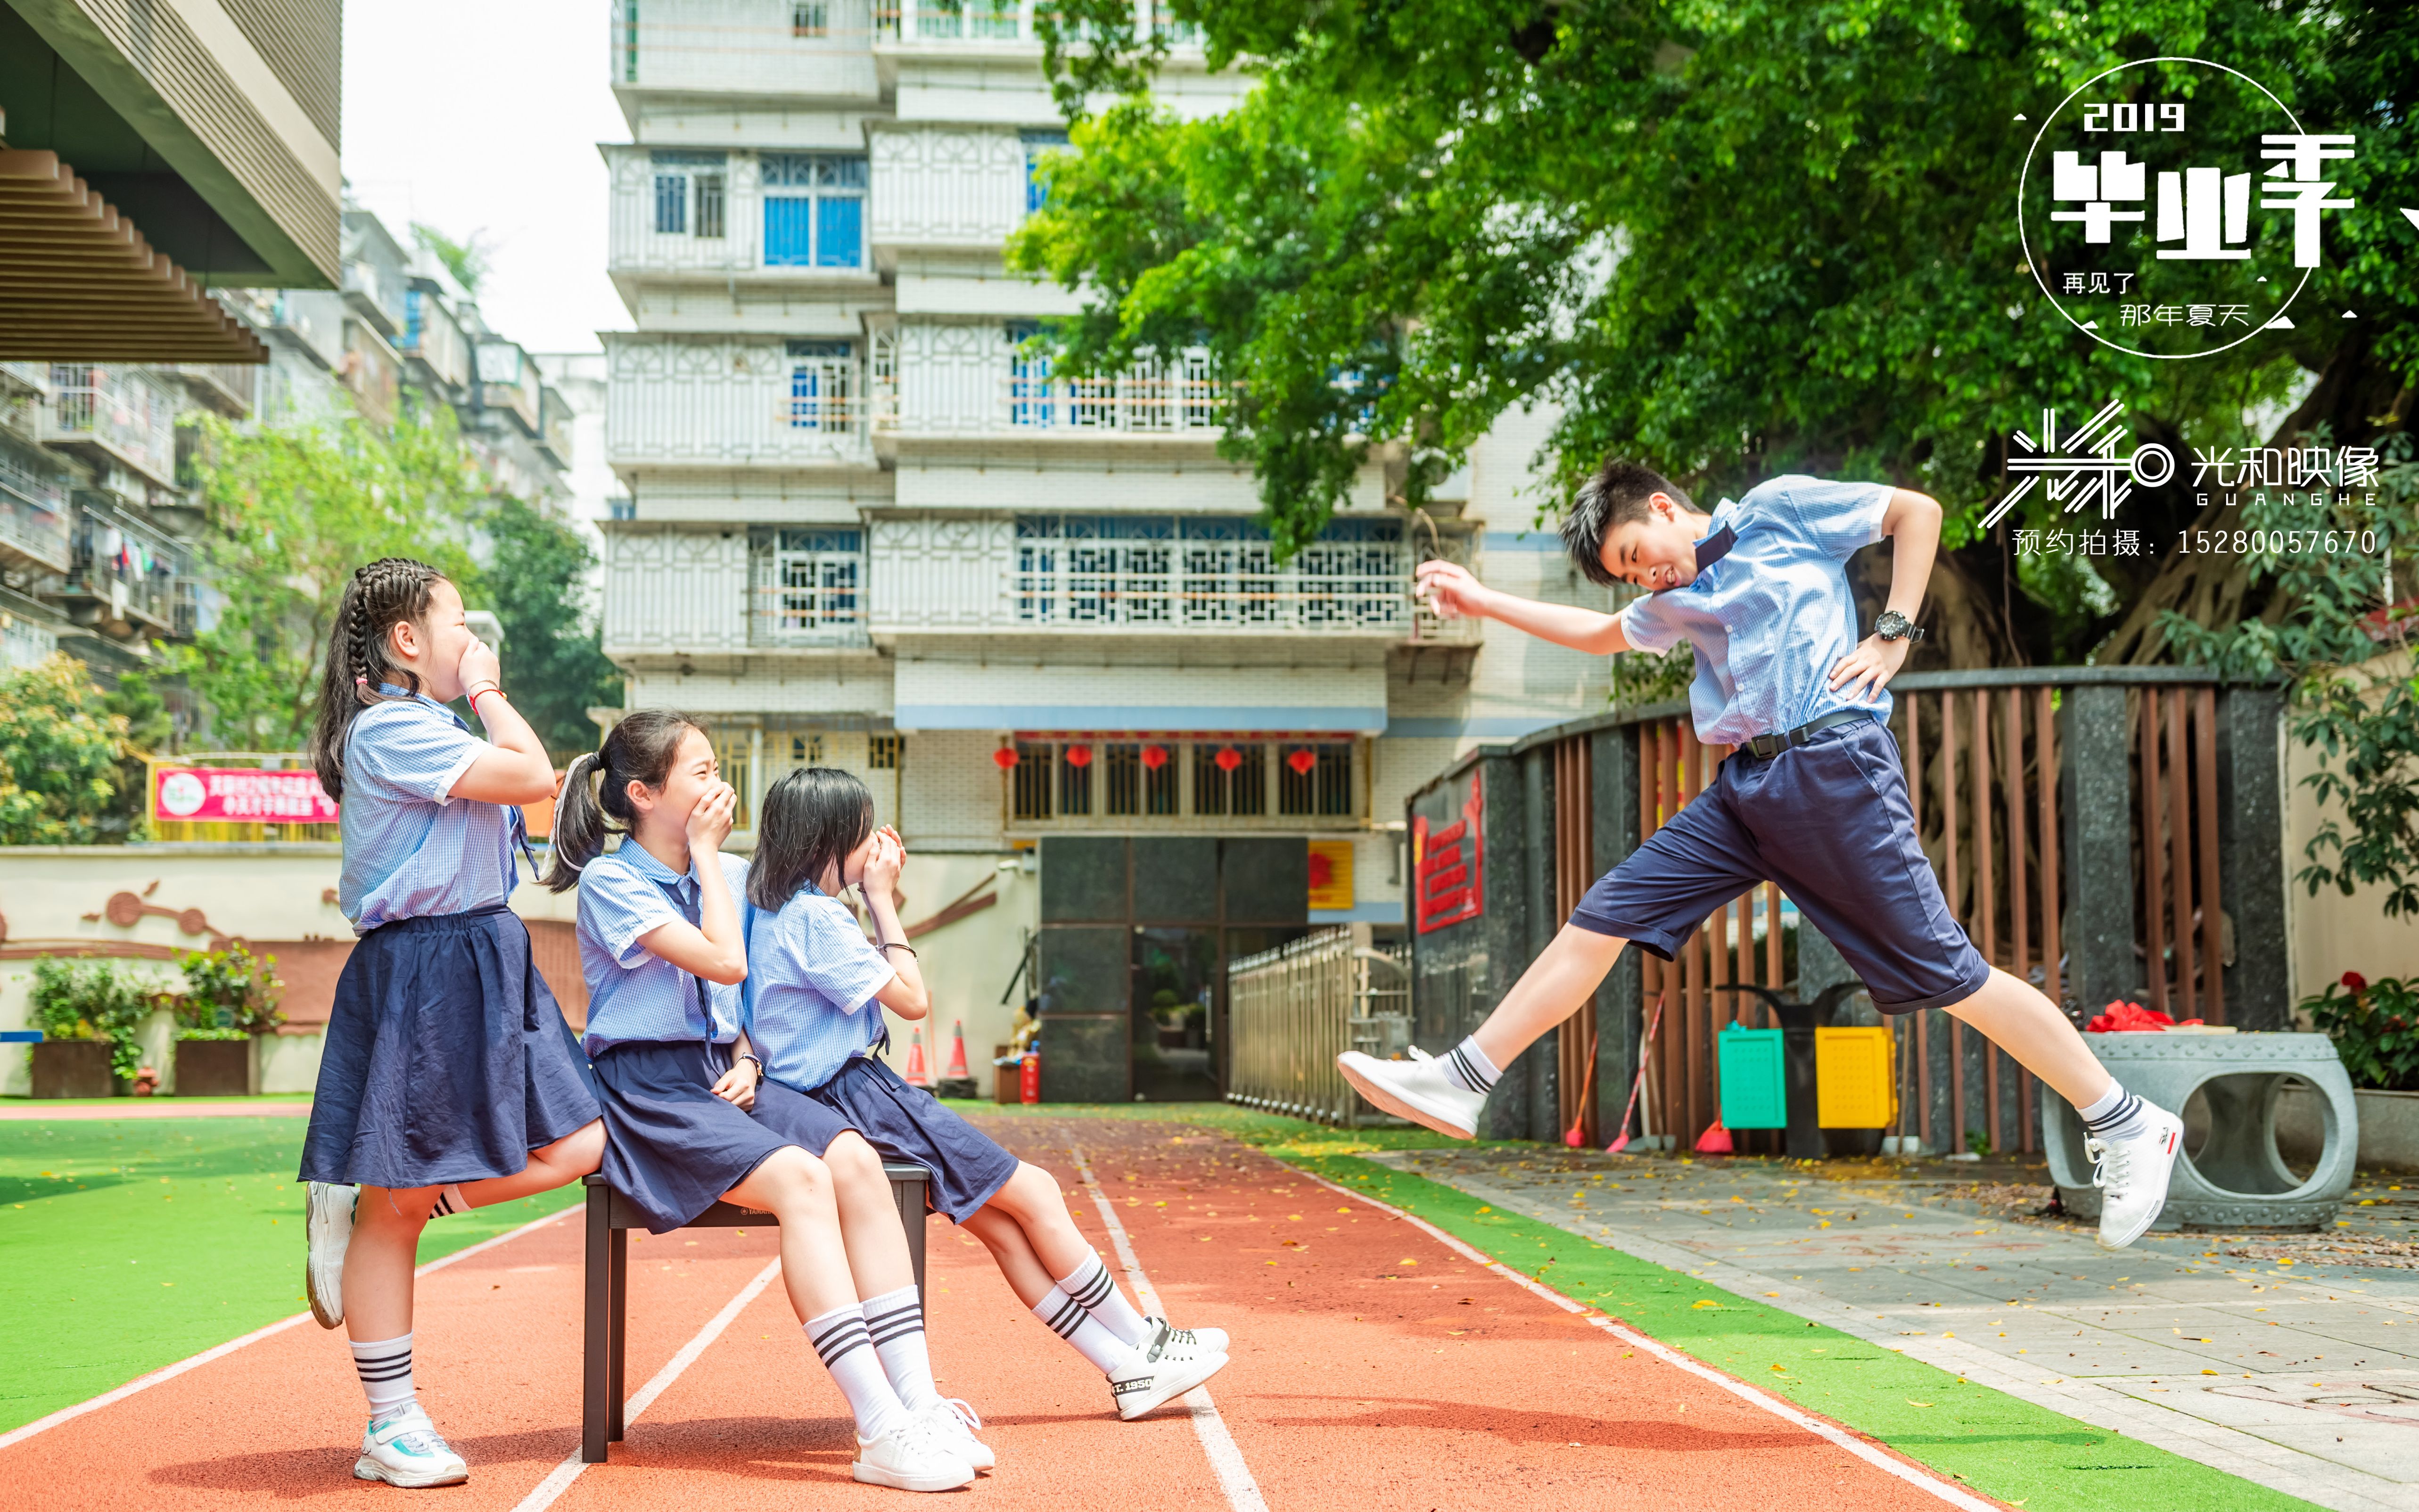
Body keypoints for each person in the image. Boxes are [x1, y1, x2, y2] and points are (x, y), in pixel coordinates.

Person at [1339, 461, 2184, 1249]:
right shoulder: (1677, 599)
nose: (1648, 578)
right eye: (1632, 577)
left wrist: (1893, 633)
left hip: (1834, 766)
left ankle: (2123, 1118)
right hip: (1746, 789)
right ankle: (1466, 1077)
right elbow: (1599, 636)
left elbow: (1914, 513)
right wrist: (1483, 602)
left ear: (1663, 508)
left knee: (1950, 975)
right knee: (1604, 916)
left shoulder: (1779, 513)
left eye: (1639, 555)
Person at [549, 712, 973, 1491]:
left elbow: (742, 1005)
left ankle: (918, 1402)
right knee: (802, 1182)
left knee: (853, 1158)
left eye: (716, 767)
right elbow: (721, 960)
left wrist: (747, 1056)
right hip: (650, 1086)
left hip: (727, 1073)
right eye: (701, 771)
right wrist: (710, 858)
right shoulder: (616, 883)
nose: (720, 783)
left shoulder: (736, 872)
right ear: (643, 795)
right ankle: (879, 1426)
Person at [742, 767, 1231, 1421]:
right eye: (864, 832)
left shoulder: (772, 910)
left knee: (1001, 1224)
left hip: (829, 1099)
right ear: (830, 839)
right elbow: (913, 1000)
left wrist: (870, 896)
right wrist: (883, 897)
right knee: (1038, 1193)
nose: (875, 846)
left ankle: (1126, 1368)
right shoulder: (816, 919)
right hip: (858, 1093)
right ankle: (1147, 1341)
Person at [298, 558, 607, 1488]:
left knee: (583, 1139)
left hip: (483, 948)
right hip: (426, 961)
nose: (472, 636)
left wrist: (474, 696)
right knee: (401, 1204)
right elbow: (532, 772)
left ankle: (384, 1203)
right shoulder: (392, 729)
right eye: (456, 621)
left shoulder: (424, 727)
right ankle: (391, 1423)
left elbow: (538, 792)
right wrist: (486, 686)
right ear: (407, 640)